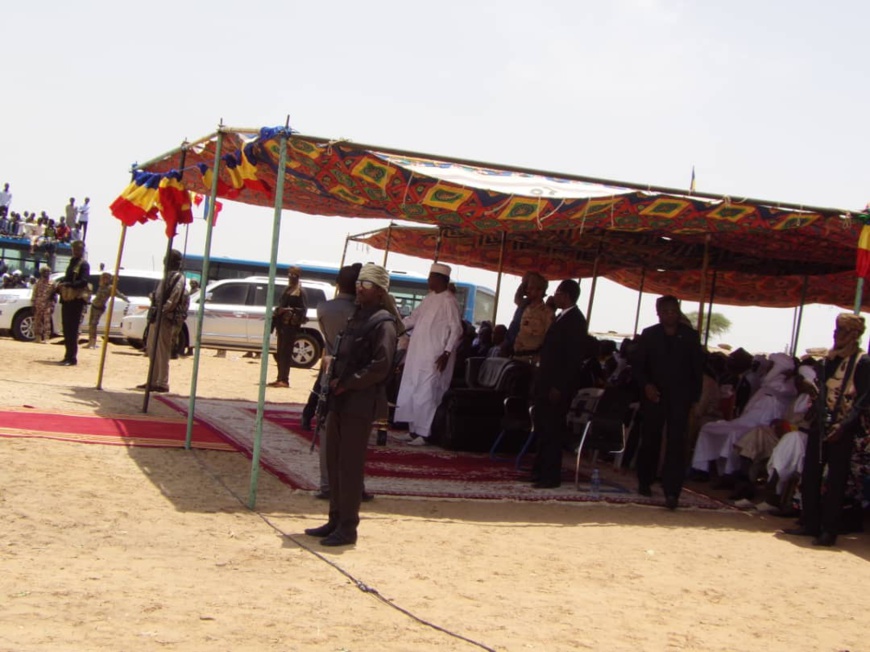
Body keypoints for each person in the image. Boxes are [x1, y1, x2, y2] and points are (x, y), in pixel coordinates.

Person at [303, 263, 398, 547]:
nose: (359, 289)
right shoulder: (356, 316)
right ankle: (334, 519)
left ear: (380, 291)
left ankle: (348, 528)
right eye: (358, 284)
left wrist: (350, 382)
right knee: (333, 461)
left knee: (350, 465)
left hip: (360, 401)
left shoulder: (384, 323)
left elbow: (381, 366)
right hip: (339, 398)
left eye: (366, 285)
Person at [785, 313, 870, 546]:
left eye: (841, 331)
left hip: (843, 429)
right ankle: (810, 523)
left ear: (853, 335)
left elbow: (862, 400)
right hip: (821, 425)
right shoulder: (829, 360)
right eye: (835, 330)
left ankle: (829, 530)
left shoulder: (862, 362)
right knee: (811, 473)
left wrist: (843, 426)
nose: (836, 335)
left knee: (836, 481)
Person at [632, 295, 704, 509]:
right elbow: (638, 366)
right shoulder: (649, 335)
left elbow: (696, 369)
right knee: (651, 438)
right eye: (666, 312)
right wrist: (646, 385)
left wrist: (694, 399)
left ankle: (672, 491)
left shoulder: (690, 336)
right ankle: (645, 480)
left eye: (674, 311)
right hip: (654, 396)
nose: (670, 315)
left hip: (680, 398)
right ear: (659, 313)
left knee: (676, 443)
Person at [530, 280, 594, 488]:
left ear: (565, 296)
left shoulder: (575, 321)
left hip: (556, 386)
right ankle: (539, 470)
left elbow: (572, 359)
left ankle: (550, 476)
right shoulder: (561, 318)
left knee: (552, 430)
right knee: (542, 428)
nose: (554, 297)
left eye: (557, 293)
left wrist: (560, 386)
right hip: (545, 382)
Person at [393, 262, 463, 446]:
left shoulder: (449, 301)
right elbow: (414, 319)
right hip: (417, 353)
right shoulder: (429, 298)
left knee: (426, 392)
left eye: (431, 277)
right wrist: (396, 324)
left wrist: (446, 353)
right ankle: (413, 429)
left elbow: (456, 329)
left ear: (441, 279)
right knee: (411, 388)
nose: (428, 280)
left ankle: (425, 434)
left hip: (435, 354)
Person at [138, 250, 188, 393]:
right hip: (156, 315)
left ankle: (162, 382)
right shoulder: (166, 277)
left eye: (168, 260)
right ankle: (152, 380)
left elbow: (173, 298)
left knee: (162, 350)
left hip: (166, 317)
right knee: (152, 349)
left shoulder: (178, 278)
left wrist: (162, 311)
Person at [268, 266, 307, 388]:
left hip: (290, 326)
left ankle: (284, 379)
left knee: (286, 353)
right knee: (279, 353)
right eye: (290, 275)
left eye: (294, 276)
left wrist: (288, 310)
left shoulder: (300, 291)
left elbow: (303, 310)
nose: (291, 278)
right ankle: (280, 377)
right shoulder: (288, 289)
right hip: (281, 325)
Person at [55, 240, 90, 366]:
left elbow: (83, 282)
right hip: (67, 299)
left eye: (78, 249)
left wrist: (68, 284)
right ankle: (67, 355)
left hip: (76, 300)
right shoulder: (72, 262)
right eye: (74, 249)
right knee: (66, 328)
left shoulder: (84, 265)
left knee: (73, 329)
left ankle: (72, 357)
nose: (76, 251)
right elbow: (68, 277)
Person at [512, 272, 554, 365]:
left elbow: (549, 340)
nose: (527, 290)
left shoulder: (547, 313)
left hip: (532, 361)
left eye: (531, 288)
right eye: (527, 288)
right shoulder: (525, 309)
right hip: (518, 357)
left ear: (540, 291)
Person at [87, 272, 128, 349]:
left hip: (99, 308)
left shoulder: (110, 288)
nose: (104, 280)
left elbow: (118, 294)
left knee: (93, 324)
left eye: (106, 278)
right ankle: (90, 342)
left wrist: (126, 299)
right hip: (94, 306)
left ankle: (93, 343)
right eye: (103, 278)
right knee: (91, 325)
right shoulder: (101, 286)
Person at [30, 266, 56, 344]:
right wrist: (33, 304)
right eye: (45, 272)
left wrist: (53, 305)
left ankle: (46, 338)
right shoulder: (38, 283)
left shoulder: (52, 283)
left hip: (48, 305)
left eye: (48, 272)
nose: (47, 273)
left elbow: (54, 295)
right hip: (38, 304)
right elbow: (34, 294)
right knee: (37, 321)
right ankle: (37, 338)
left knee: (47, 322)